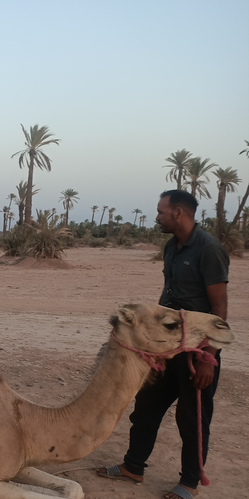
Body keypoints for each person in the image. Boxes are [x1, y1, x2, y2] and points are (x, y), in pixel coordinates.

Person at [97, 190, 229, 499]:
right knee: (146, 406)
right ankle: (134, 466)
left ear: (179, 212)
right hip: (167, 349)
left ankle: (189, 483)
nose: (157, 217)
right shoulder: (172, 247)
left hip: (197, 351)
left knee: (192, 416)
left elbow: (220, 310)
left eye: (161, 212)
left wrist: (209, 357)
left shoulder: (209, 250)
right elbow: (167, 298)